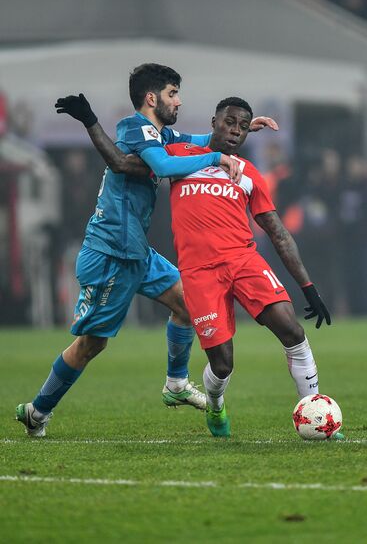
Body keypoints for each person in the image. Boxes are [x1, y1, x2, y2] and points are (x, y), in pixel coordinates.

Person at [16, 64, 276, 437]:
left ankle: (175, 383)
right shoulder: (136, 128)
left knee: (188, 303)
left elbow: (199, 138)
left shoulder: (161, 132)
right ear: (152, 97)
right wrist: (217, 158)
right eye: (173, 93)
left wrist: (240, 129)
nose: (179, 101)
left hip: (135, 249)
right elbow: (165, 164)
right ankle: (37, 411)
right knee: (91, 344)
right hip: (110, 252)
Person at [164, 97, 344, 439]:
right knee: (222, 364)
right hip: (200, 272)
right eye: (229, 122)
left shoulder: (249, 174)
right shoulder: (179, 155)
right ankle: (215, 406)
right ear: (214, 121)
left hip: (243, 260)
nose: (235, 130)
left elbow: (278, 232)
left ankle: (317, 414)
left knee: (291, 329)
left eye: (243, 127)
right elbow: (143, 145)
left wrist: (308, 287)